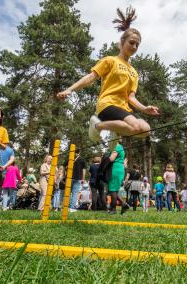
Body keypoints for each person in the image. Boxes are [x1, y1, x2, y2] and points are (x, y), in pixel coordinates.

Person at [56, 6, 159, 151]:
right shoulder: (110, 60)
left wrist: (144, 109)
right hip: (108, 104)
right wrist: (70, 89)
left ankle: (114, 131)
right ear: (122, 42)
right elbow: (91, 77)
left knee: (145, 129)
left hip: (124, 108)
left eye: (137, 44)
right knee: (135, 126)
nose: (134, 46)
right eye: (131, 42)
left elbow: (131, 97)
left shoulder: (134, 72)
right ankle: (97, 125)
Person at [107, 139, 127, 214]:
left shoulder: (116, 147)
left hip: (115, 169)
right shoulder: (121, 147)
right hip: (120, 169)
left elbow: (111, 159)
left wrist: (105, 158)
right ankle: (124, 204)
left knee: (113, 190)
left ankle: (113, 209)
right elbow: (125, 165)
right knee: (115, 190)